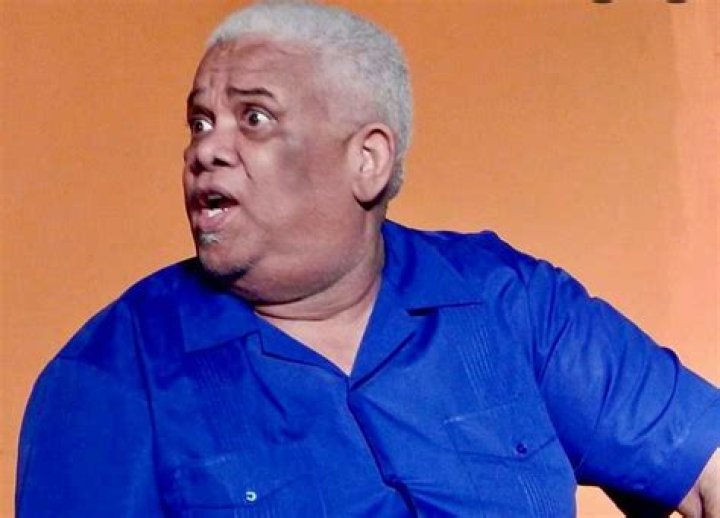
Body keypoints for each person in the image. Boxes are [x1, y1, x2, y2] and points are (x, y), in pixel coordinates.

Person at [16, 1, 719, 516]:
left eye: (254, 118)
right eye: (200, 122)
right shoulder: (108, 379)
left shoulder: (510, 302)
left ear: (368, 160)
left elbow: (705, 464)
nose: (207, 149)